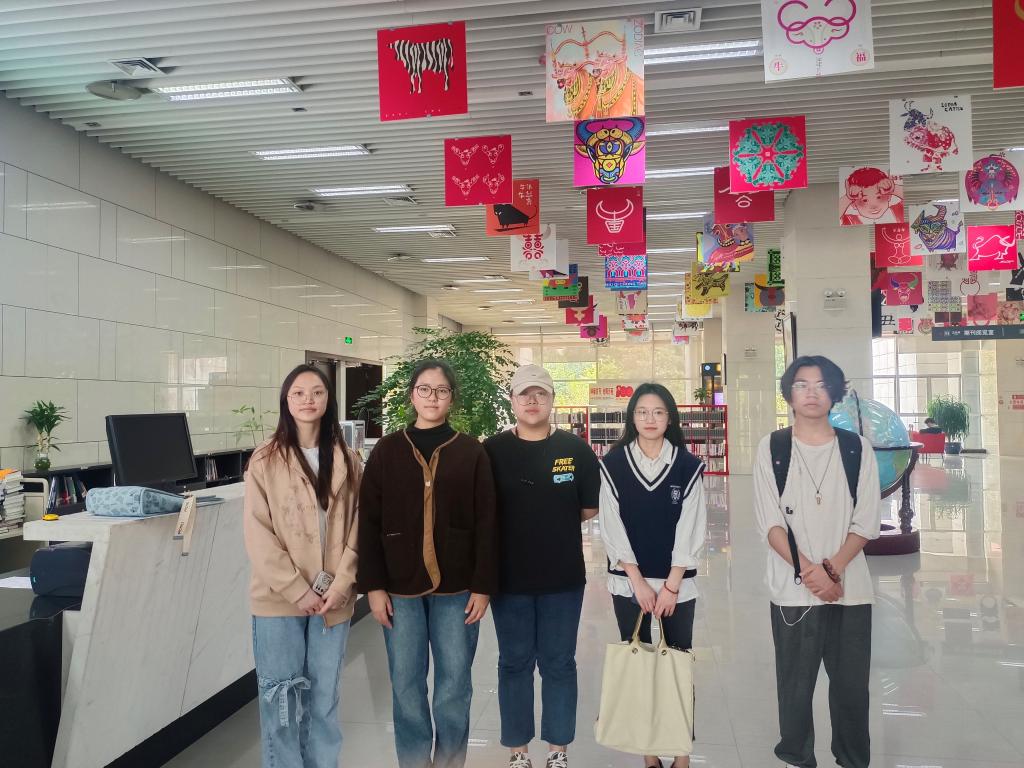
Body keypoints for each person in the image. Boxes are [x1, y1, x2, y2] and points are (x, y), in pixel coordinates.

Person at [357, 358, 498, 768]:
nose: (432, 397)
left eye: (441, 390)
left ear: (451, 398)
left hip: (458, 589)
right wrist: (373, 587)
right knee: (406, 686)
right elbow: (368, 521)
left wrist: (483, 586)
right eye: (424, 389)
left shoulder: (471, 451)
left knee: (453, 687)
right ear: (412, 395)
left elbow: (488, 522)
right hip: (398, 589)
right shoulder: (387, 450)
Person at [753, 355, 881, 768]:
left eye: (822, 385)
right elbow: (769, 522)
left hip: (850, 591)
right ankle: (798, 758)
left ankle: (852, 760)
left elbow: (866, 521)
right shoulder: (772, 447)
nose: (812, 393)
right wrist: (811, 572)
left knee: (851, 690)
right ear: (789, 394)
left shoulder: (856, 448)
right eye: (802, 384)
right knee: (795, 686)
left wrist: (832, 570)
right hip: (793, 593)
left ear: (835, 393)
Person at [243, 364, 362, 768]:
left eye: (317, 392)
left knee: (323, 699)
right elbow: (258, 534)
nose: (308, 400)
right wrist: (297, 589)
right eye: (298, 393)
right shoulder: (265, 460)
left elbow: (360, 526)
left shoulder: (349, 459)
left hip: (333, 600)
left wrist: (342, 583)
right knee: (280, 700)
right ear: (286, 401)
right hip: (279, 600)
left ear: (328, 400)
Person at [483, 365, 600, 768]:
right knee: (514, 663)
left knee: (559, 663)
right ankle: (518, 752)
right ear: (512, 401)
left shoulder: (576, 450)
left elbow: (588, 507)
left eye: (541, 394)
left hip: (562, 578)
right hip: (508, 579)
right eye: (524, 394)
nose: (532, 401)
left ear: (552, 400)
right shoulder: (492, 451)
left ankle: (557, 751)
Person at [599, 383, 707, 768]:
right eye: (642, 412)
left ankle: (681, 754)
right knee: (640, 666)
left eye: (658, 412)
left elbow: (692, 528)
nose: (650, 419)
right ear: (632, 417)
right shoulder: (612, 465)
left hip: (678, 587)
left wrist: (672, 586)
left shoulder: (688, 466)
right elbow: (611, 527)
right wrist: (638, 582)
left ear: (669, 418)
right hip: (629, 585)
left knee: (678, 665)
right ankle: (649, 753)